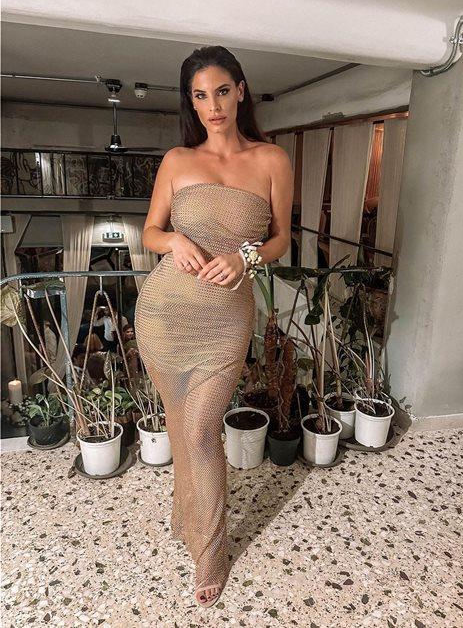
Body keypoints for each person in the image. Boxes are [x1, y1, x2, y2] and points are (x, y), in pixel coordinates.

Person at [134, 45, 294, 608]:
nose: (213, 106)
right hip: (165, 315)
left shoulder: (272, 159)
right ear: (192, 102)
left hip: (225, 320)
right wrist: (174, 239)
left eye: (222, 91)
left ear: (241, 90)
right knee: (183, 428)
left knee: (201, 429)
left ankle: (209, 546)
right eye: (200, 96)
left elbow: (281, 238)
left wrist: (246, 256)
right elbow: (150, 232)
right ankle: (195, 522)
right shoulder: (177, 160)